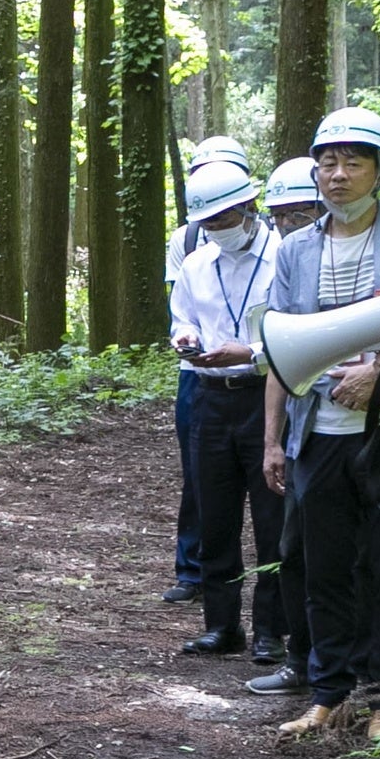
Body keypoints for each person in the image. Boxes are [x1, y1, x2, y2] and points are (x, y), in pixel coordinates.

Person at [259, 107, 380, 746]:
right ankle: (329, 694)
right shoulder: (295, 247)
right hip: (319, 431)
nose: (337, 174)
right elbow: (284, 342)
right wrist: (274, 437)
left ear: (379, 170)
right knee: (324, 565)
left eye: (353, 162)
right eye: (327, 162)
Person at [168, 162, 286, 664]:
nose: (218, 229)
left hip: (265, 394)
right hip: (209, 398)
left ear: (248, 208)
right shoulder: (197, 264)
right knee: (214, 514)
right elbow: (182, 317)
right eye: (209, 223)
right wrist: (186, 339)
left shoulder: (284, 255)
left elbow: (294, 332)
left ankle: (270, 632)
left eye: (225, 218)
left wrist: (251, 352)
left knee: (271, 517)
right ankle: (221, 625)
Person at [244, 158, 327, 702]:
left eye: (298, 214)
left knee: (364, 560)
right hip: (306, 431)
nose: (288, 225)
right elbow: (280, 355)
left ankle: (363, 678)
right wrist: (273, 441)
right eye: (279, 216)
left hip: (371, 431)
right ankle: (302, 660)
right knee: (295, 549)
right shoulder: (291, 260)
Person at [164, 134, 249, 604]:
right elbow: (183, 302)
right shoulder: (188, 238)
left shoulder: (277, 245)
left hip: (258, 374)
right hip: (200, 376)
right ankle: (192, 569)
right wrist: (186, 338)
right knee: (199, 473)